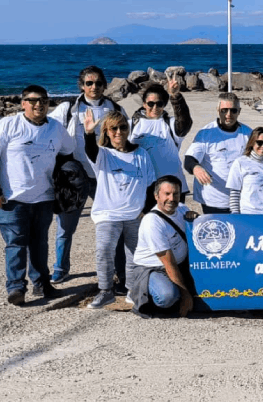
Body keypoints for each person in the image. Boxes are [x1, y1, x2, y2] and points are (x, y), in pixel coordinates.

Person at [0, 85, 75, 305]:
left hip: (44, 197)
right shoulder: (9, 125)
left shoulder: (57, 129)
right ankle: (16, 289)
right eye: (33, 100)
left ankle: (42, 285)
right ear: (23, 103)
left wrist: (63, 185)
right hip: (12, 199)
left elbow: (67, 153)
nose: (39, 104)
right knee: (16, 244)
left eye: (43, 100)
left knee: (40, 243)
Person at [49, 66, 125, 284]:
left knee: (113, 226)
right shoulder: (68, 108)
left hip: (104, 176)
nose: (94, 87)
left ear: (105, 85)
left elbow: (127, 136)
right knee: (65, 226)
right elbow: (48, 129)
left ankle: (119, 268)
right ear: (81, 85)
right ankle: (60, 268)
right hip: (75, 176)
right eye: (89, 83)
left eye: (98, 83)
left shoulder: (115, 108)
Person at [82, 109, 156, 309]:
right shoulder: (103, 154)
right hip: (108, 214)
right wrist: (89, 134)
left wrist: (145, 211)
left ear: (128, 129)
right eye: (113, 128)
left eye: (122, 127)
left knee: (135, 254)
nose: (118, 132)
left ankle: (132, 290)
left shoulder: (141, 154)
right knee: (104, 250)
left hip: (134, 214)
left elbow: (151, 186)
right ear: (106, 132)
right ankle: (106, 291)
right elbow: (90, 150)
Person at [128, 175, 198, 317]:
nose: (172, 199)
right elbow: (168, 262)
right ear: (156, 196)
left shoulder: (183, 209)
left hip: (179, 264)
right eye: (167, 194)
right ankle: (139, 292)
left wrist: (195, 217)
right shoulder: (152, 222)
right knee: (167, 297)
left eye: (176, 194)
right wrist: (185, 296)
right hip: (153, 268)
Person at [184, 93, 252, 214]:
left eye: (233, 111)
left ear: (239, 111)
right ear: (218, 110)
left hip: (241, 199)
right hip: (213, 200)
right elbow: (189, 159)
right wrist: (196, 168)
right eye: (224, 110)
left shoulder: (248, 133)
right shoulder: (206, 133)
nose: (228, 115)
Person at [129, 77, 192, 195]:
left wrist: (175, 96)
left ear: (164, 105)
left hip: (172, 188)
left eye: (159, 104)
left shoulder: (171, 124)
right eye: (150, 104)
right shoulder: (131, 125)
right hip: (144, 188)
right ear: (144, 104)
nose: (155, 108)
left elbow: (185, 123)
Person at [225, 127, 263, 214]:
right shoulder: (240, 162)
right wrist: (236, 216)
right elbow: (235, 193)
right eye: (259, 142)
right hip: (249, 214)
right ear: (252, 142)